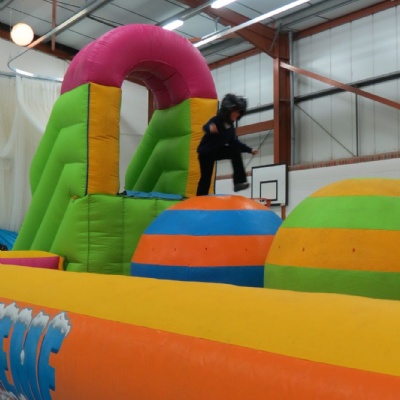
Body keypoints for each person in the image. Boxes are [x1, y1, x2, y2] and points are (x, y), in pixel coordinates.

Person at [196, 93, 259, 196]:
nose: (237, 114)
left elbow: (234, 142)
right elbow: (205, 126)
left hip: (217, 151)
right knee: (206, 177)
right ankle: (200, 198)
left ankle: (238, 182)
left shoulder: (230, 128)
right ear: (228, 111)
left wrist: (250, 150)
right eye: (235, 112)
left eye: (239, 112)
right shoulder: (217, 120)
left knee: (235, 151)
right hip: (206, 153)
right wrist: (210, 128)